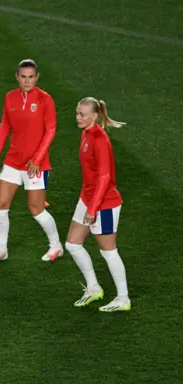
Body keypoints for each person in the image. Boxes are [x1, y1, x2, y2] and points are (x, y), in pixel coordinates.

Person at [0, 59, 62, 264]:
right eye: (23, 77)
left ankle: (56, 246)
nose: (27, 81)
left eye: (31, 77)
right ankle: (2, 249)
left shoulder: (45, 100)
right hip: (12, 161)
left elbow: (51, 130)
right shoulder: (10, 97)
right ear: (17, 77)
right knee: (1, 203)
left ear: (37, 77)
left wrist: (37, 159)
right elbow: (5, 125)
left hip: (35, 165)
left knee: (36, 209)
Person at [67, 97, 130, 312]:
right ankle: (94, 288)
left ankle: (123, 299)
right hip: (88, 197)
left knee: (108, 251)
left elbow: (104, 177)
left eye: (82, 114)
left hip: (103, 203)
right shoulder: (85, 133)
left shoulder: (100, 139)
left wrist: (93, 209)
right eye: (77, 113)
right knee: (73, 244)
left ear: (93, 116)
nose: (78, 117)